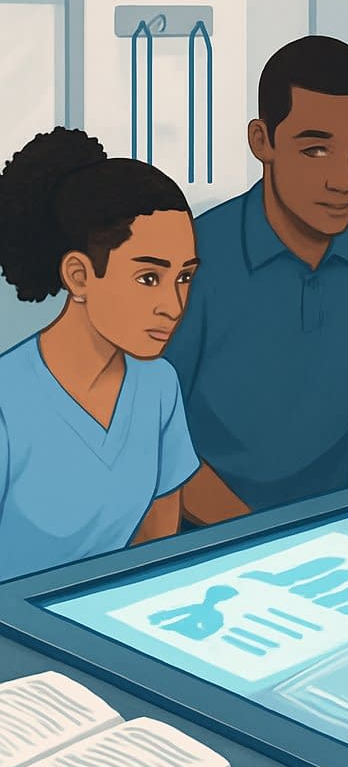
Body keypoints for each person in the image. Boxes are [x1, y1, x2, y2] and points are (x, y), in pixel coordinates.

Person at [164, 36, 348, 520]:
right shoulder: (189, 260)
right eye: (316, 150)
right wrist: (261, 539)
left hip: (330, 533)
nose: (343, 180)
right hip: (203, 538)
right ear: (262, 141)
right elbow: (154, 441)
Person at [0, 127, 202, 581]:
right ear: (79, 275)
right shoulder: (7, 406)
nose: (173, 306)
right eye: (148, 278)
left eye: (184, 277)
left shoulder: (158, 387)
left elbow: (156, 544)